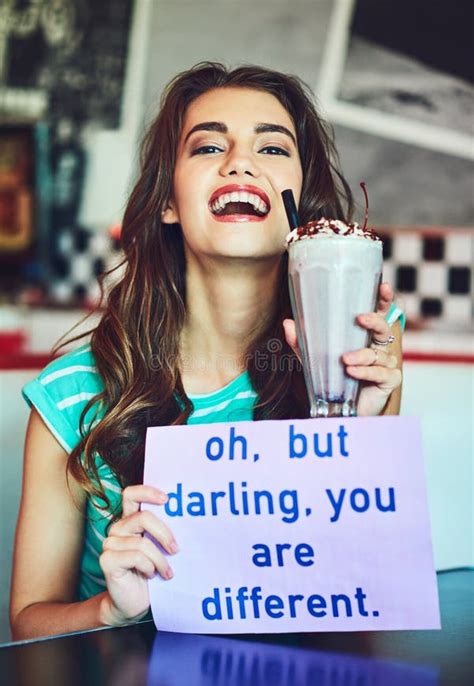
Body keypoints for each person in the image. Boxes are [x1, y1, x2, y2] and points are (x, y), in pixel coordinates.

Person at [10, 62, 403, 640]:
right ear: (168, 202)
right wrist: (113, 611)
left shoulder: (353, 362)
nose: (240, 161)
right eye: (209, 145)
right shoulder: (73, 395)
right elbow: (28, 624)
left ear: (303, 208)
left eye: (272, 149)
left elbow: (362, 612)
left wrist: (355, 434)